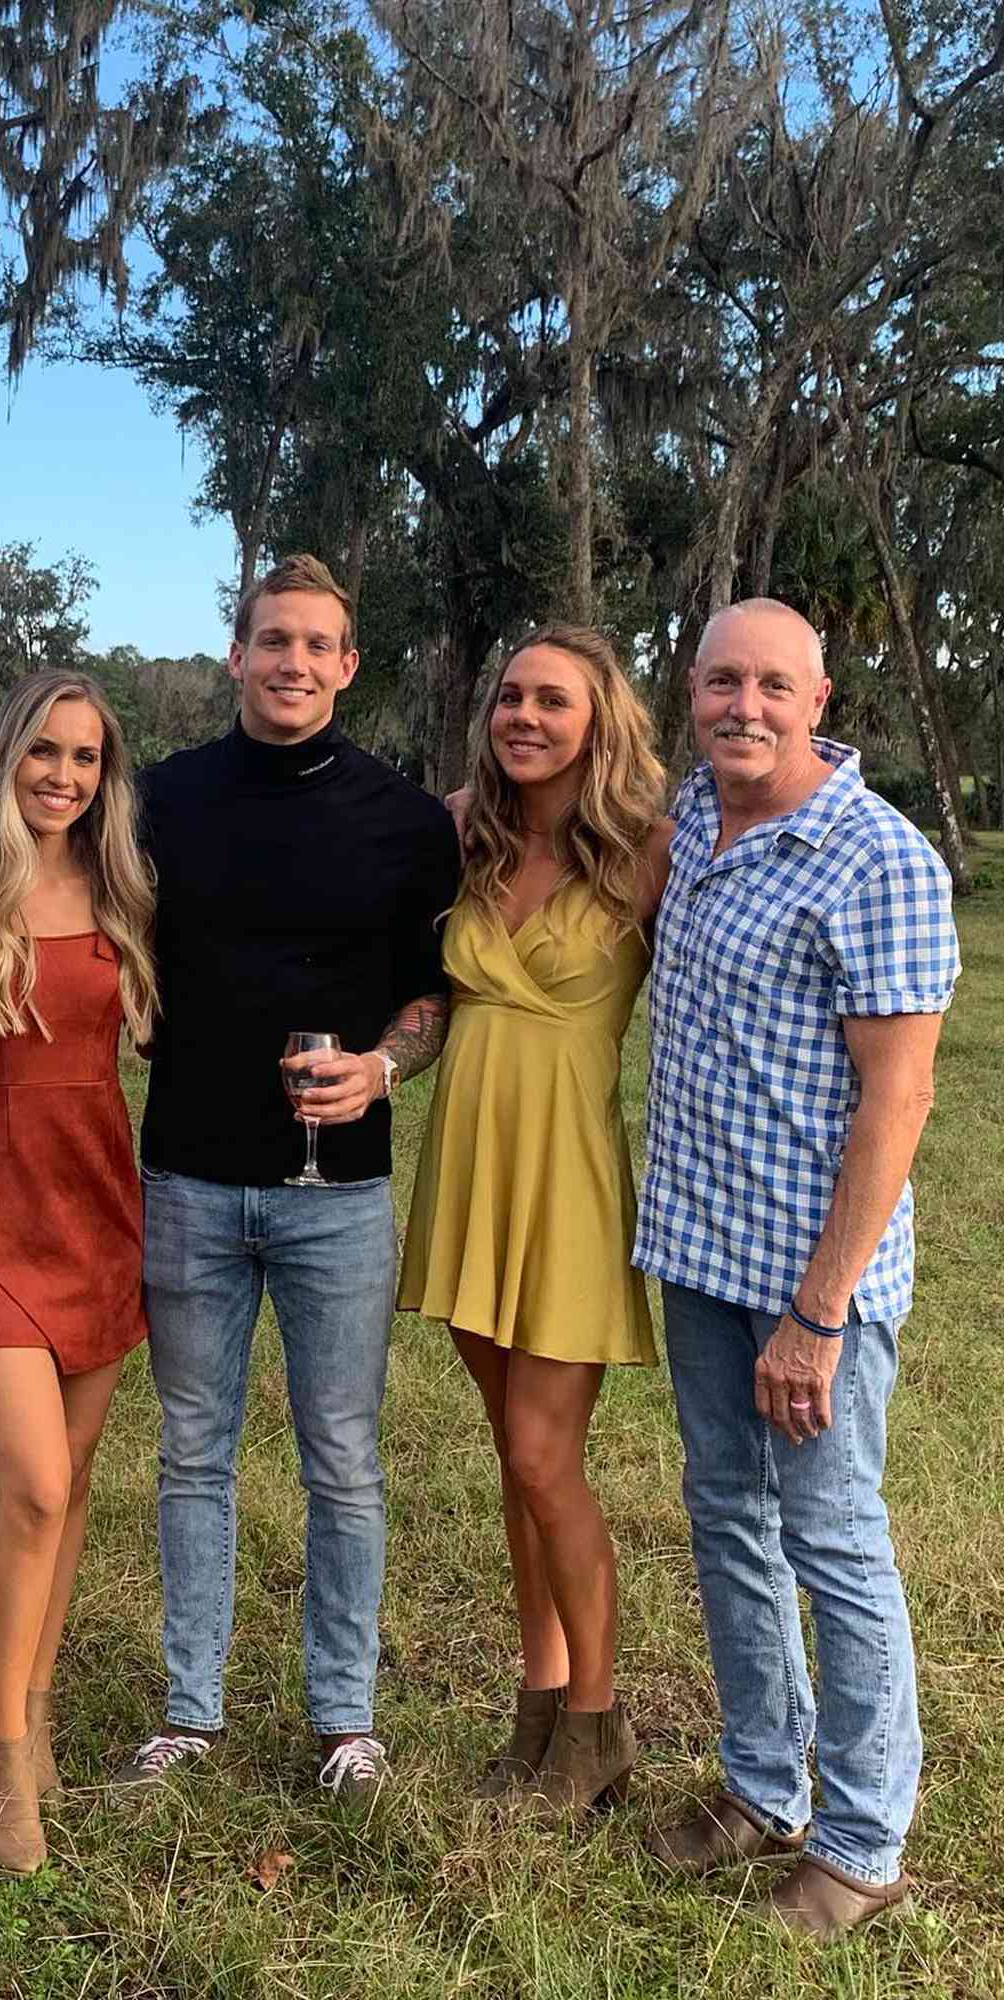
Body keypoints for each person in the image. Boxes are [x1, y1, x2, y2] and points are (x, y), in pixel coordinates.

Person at [107, 553, 461, 1804]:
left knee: (342, 1459)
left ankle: (342, 1718)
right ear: (236, 654)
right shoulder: (158, 799)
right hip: (188, 1178)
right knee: (191, 1451)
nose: (292, 662)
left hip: (339, 1195)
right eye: (272, 640)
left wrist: (383, 1066)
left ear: (346, 665)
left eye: (316, 644)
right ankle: (188, 1711)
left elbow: (432, 995)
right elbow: (75, 918)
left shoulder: (404, 819)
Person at [633, 598, 958, 1938]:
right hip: (699, 1253)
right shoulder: (693, 819)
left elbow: (899, 1100)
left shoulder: (877, 858)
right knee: (727, 1517)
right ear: (692, 691)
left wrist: (816, 1316)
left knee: (830, 1539)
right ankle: (764, 1786)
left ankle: (864, 1841)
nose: (745, 705)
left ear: (819, 700)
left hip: (813, 1282)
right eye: (723, 681)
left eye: (773, 684)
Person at [397, 625, 672, 1814]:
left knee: (543, 1455)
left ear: (597, 721)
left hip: (566, 1175)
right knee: (514, 1457)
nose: (523, 715)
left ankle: (597, 1721)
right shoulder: (462, 830)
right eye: (509, 694)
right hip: (468, 1168)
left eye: (551, 700)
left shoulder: (649, 848)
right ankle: (540, 1700)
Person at [0, 671, 158, 1872]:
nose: (62, 775)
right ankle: (0, 1749)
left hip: (97, 1196)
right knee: (35, 1486)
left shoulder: (124, 892)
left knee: (74, 1482)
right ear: (5, 755)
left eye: (85, 756)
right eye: (43, 751)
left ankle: (36, 1696)